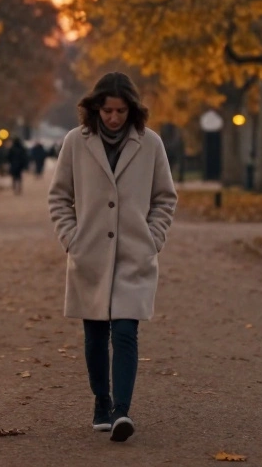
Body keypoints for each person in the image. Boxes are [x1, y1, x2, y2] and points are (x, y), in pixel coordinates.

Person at [47, 72, 177, 443]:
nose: (114, 118)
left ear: (132, 110)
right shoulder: (76, 142)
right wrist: (71, 238)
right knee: (94, 336)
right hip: (89, 253)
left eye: (121, 111)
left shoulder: (150, 144)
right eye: (108, 111)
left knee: (124, 332)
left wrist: (153, 238)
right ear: (96, 109)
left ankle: (122, 410)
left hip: (134, 253)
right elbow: (59, 196)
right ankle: (101, 401)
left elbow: (165, 197)